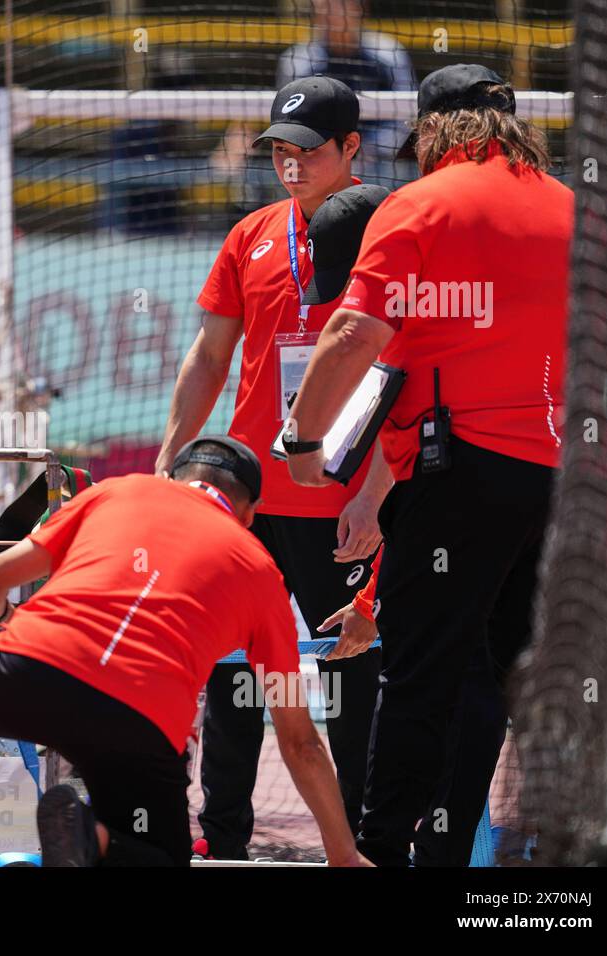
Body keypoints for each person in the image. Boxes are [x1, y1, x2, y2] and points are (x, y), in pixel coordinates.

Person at [285, 64, 572, 866]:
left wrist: (303, 442)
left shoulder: (425, 204)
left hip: (460, 468)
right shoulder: (570, 209)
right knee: (487, 676)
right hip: (550, 475)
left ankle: (378, 848)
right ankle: (448, 854)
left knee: (416, 676)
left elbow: (355, 336)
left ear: (434, 131)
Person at [0, 437, 371, 867]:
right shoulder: (261, 574)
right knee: (158, 848)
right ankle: (101, 839)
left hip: (36, 673)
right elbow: (301, 743)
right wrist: (343, 853)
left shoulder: (119, 492)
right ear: (250, 513)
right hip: (141, 725)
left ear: (173, 479)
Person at [154, 77, 392, 859]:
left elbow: (417, 370)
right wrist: (169, 462)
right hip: (250, 499)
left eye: (307, 152)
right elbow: (210, 355)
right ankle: (223, 838)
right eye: (279, 153)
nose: (290, 167)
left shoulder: (389, 231)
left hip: (347, 500)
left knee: (354, 680)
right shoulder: (251, 232)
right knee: (231, 672)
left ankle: (353, 840)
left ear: (352, 148)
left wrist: (379, 493)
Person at [277, 0, 415, 166]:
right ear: (316, 12)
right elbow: (293, 117)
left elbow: (407, 111)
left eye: (343, 4)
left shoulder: (389, 53)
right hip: (318, 156)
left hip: (381, 160)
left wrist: (371, 148)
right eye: (327, 6)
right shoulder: (298, 61)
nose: (335, 12)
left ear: (359, 8)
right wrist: (329, 148)